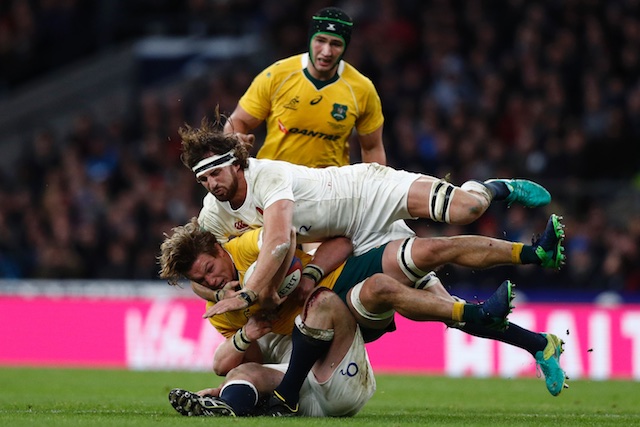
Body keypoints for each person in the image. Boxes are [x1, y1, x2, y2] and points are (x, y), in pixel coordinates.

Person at [158, 214, 568, 414]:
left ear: (218, 250)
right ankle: (250, 404)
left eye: (209, 271)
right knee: (378, 290)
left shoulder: (252, 241)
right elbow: (227, 360)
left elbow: (319, 245)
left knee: (431, 255)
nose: (211, 283)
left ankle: (534, 278)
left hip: (343, 268)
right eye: (202, 281)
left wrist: (299, 273)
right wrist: (246, 322)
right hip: (331, 319)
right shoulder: (221, 305)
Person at [179, 116, 552, 314]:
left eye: (215, 173)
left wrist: (245, 296)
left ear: (236, 165)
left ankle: (494, 187)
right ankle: (536, 346)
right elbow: (193, 267)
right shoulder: (212, 213)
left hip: (367, 190)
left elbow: (278, 242)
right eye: (203, 178)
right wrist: (214, 294)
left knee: (466, 209)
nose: (211, 184)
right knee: (439, 302)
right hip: (351, 237)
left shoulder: (267, 175)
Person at [223, 7, 386, 168]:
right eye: (320, 41)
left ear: (345, 48)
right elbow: (239, 120)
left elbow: (372, 148)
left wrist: (377, 189)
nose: (326, 51)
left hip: (330, 187)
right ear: (310, 40)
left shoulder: (362, 89)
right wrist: (234, 140)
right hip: (275, 181)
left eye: (336, 44)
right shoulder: (277, 75)